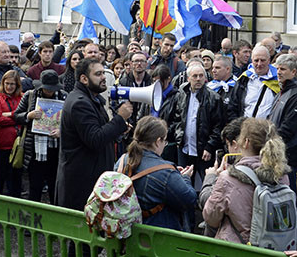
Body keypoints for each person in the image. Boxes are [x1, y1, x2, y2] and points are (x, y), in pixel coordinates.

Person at [55, 58, 132, 210]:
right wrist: (120, 119)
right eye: (98, 74)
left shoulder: (91, 98)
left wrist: (118, 128)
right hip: (82, 182)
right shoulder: (80, 103)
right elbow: (95, 139)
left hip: (89, 177)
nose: (104, 77)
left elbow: (99, 131)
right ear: (84, 78)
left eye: (103, 72)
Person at [202, 118, 291, 244]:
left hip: (236, 248)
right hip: (271, 247)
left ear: (246, 142)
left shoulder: (228, 178)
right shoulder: (281, 175)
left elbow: (210, 217)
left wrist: (211, 178)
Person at [123, 116, 197, 231]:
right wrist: (185, 178)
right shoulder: (166, 172)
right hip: (157, 237)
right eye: (165, 141)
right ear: (158, 142)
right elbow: (189, 200)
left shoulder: (122, 160)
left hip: (127, 231)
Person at [14, 70, 66, 203]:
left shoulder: (63, 97)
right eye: (46, 89)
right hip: (35, 150)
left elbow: (71, 122)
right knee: (35, 186)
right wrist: (28, 116)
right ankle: (34, 216)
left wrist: (62, 131)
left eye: (52, 89)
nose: (49, 91)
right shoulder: (30, 95)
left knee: (55, 186)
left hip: (55, 149)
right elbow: (16, 115)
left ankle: (55, 214)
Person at [174, 63, 222, 187]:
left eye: (201, 76)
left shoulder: (213, 98)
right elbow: (177, 117)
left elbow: (218, 126)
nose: (198, 79)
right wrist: (178, 135)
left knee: (206, 182)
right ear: (188, 78)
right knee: (183, 182)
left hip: (203, 149)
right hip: (184, 146)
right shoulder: (182, 93)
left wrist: (209, 146)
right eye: (195, 76)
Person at [270, 54, 297, 185]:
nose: (278, 72)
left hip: (289, 155)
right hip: (277, 152)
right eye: (277, 69)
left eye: (283, 69)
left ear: (293, 71)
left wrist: (272, 144)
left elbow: (289, 128)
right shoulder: (282, 91)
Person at [226, 45, 279, 122]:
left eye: (263, 60)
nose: (259, 64)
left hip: (268, 130)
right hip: (245, 129)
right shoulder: (244, 78)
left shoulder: (277, 79)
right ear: (251, 60)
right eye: (256, 60)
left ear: (269, 60)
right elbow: (233, 106)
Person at [0, 70, 24, 197]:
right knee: (0, 178)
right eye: (7, 84)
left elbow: (25, 117)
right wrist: (17, 116)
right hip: (2, 145)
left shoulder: (21, 97)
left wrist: (10, 115)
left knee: (16, 179)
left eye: (12, 84)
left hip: (17, 145)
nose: (9, 87)